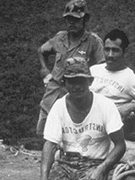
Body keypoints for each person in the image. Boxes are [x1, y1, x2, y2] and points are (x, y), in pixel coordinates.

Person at [36, 0, 105, 136]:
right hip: (54, 90)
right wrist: (44, 70)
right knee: (44, 127)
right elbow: (41, 51)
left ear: (84, 19)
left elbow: (102, 67)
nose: (71, 23)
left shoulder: (93, 41)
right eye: (68, 19)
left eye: (75, 19)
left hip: (77, 92)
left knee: (72, 130)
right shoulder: (59, 38)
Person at [90, 29, 135, 141]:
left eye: (115, 50)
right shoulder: (93, 70)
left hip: (108, 130)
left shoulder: (130, 78)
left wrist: (130, 107)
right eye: (107, 50)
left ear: (125, 52)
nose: (110, 55)